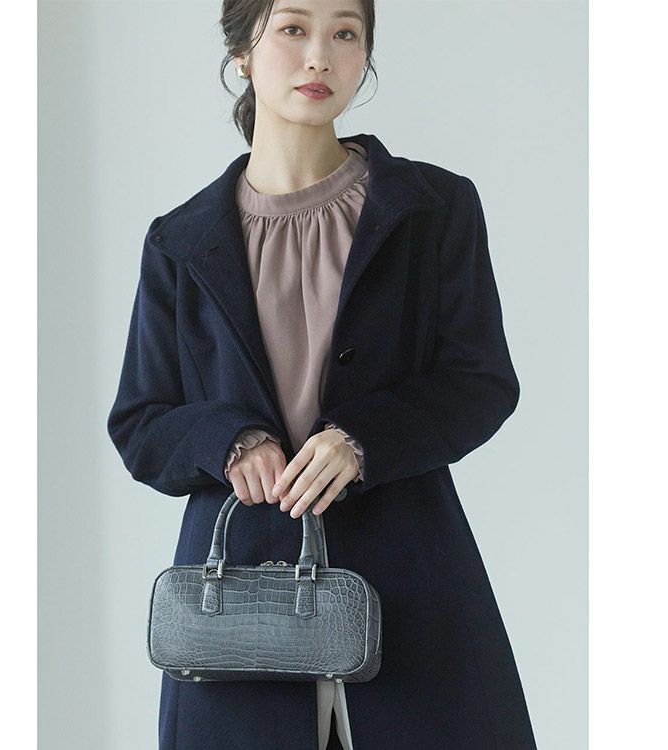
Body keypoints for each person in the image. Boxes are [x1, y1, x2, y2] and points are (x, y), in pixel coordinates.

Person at [107, 1, 538, 748]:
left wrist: (361, 439)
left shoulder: (432, 209)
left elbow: (480, 380)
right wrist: (230, 440)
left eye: (345, 33)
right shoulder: (179, 241)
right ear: (242, 52)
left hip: (413, 588)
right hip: (237, 616)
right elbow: (141, 422)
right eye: (293, 29)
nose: (320, 56)